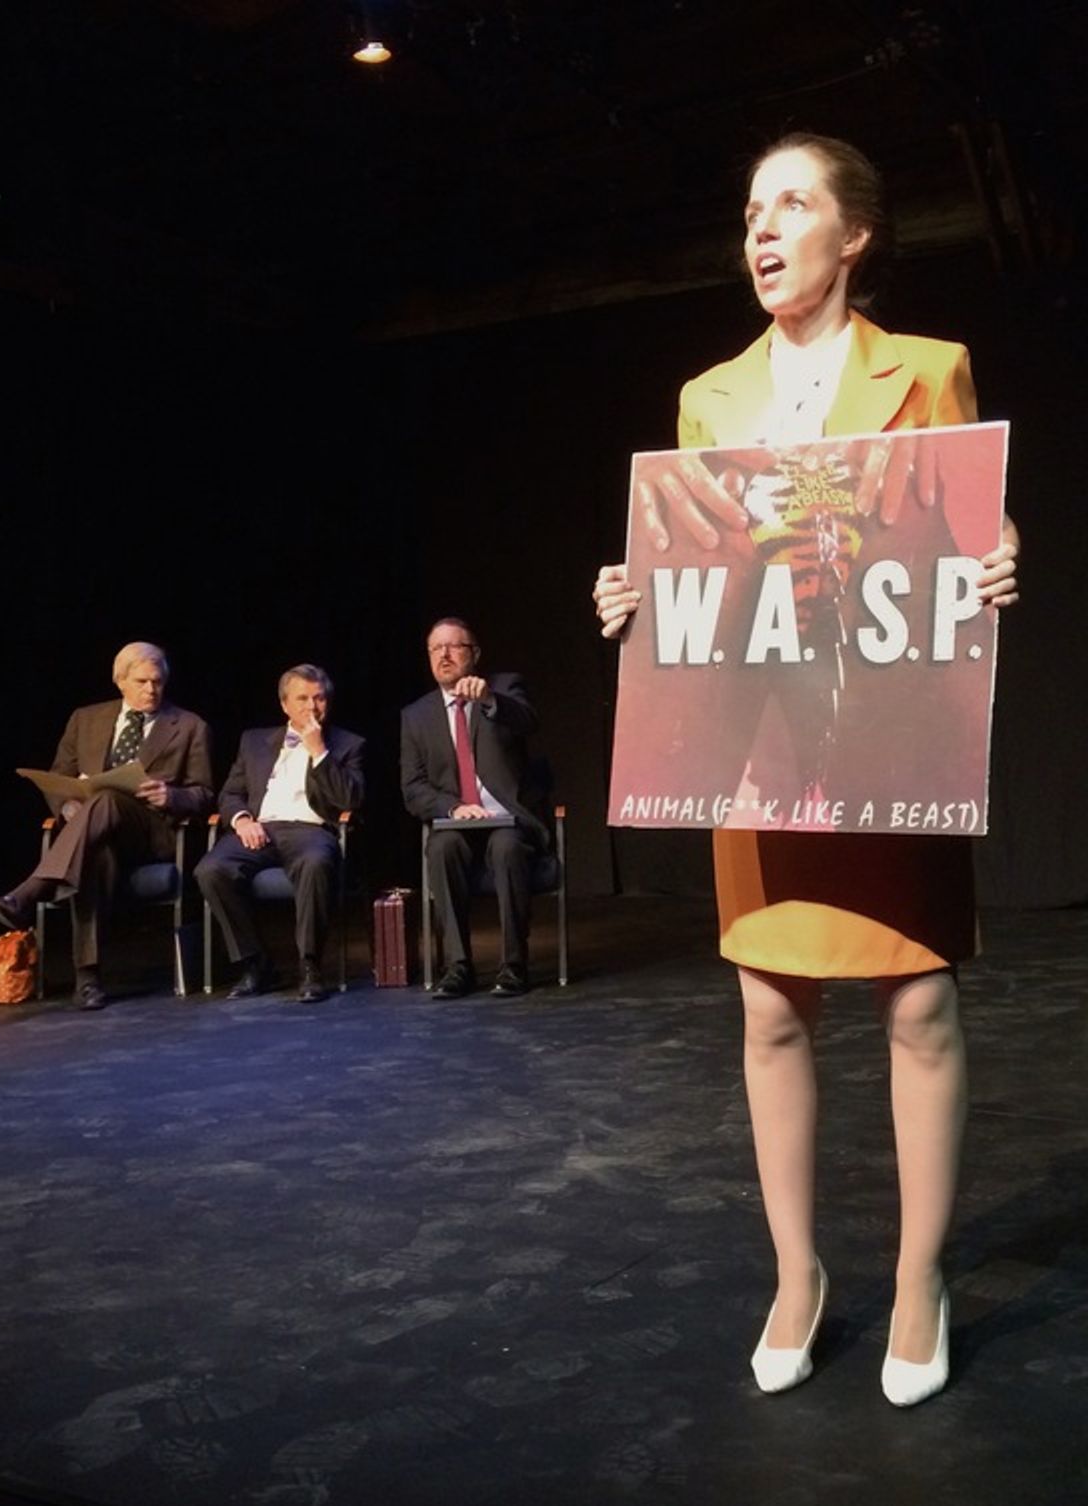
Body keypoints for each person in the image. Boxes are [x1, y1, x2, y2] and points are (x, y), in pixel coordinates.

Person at [594, 133, 1019, 1407]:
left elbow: (964, 518)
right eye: (750, 212)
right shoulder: (707, 398)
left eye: (792, 205)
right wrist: (636, 589)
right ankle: (798, 1275)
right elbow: (695, 563)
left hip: (891, 734)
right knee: (770, 1007)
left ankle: (917, 1280)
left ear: (856, 235)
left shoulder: (928, 369)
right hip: (764, 742)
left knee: (919, 1007)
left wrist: (1001, 554)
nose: (763, 232)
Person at [0, 641, 214, 1010]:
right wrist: (69, 807)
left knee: (104, 800)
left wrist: (171, 796)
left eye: (157, 682)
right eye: (141, 681)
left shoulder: (189, 726)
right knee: (96, 853)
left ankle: (30, 891)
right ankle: (88, 981)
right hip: (95, 831)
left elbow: (204, 794)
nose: (150, 690)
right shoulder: (85, 719)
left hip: (153, 830)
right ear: (119, 681)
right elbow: (60, 776)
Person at [194, 665, 365, 1004]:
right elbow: (230, 794)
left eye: (319, 698)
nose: (312, 707)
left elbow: (350, 800)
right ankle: (255, 964)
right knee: (210, 870)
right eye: (302, 699)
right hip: (260, 828)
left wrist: (319, 752)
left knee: (316, 863)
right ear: (285, 705)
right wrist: (243, 820)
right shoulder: (254, 741)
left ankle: (310, 966)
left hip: (311, 830)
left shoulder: (348, 744)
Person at [401, 618, 548, 999]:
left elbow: (529, 722)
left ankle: (514, 965)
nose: (445, 655)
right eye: (436, 649)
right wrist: (452, 807)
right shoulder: (416, 716)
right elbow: (413, 787)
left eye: (455, 646)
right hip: (457, 824)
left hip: (506, 819)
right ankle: (458, 966)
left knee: (506, 848)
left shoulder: (503, 689)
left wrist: (489, 702)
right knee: (441, 848)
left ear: (475, 654)